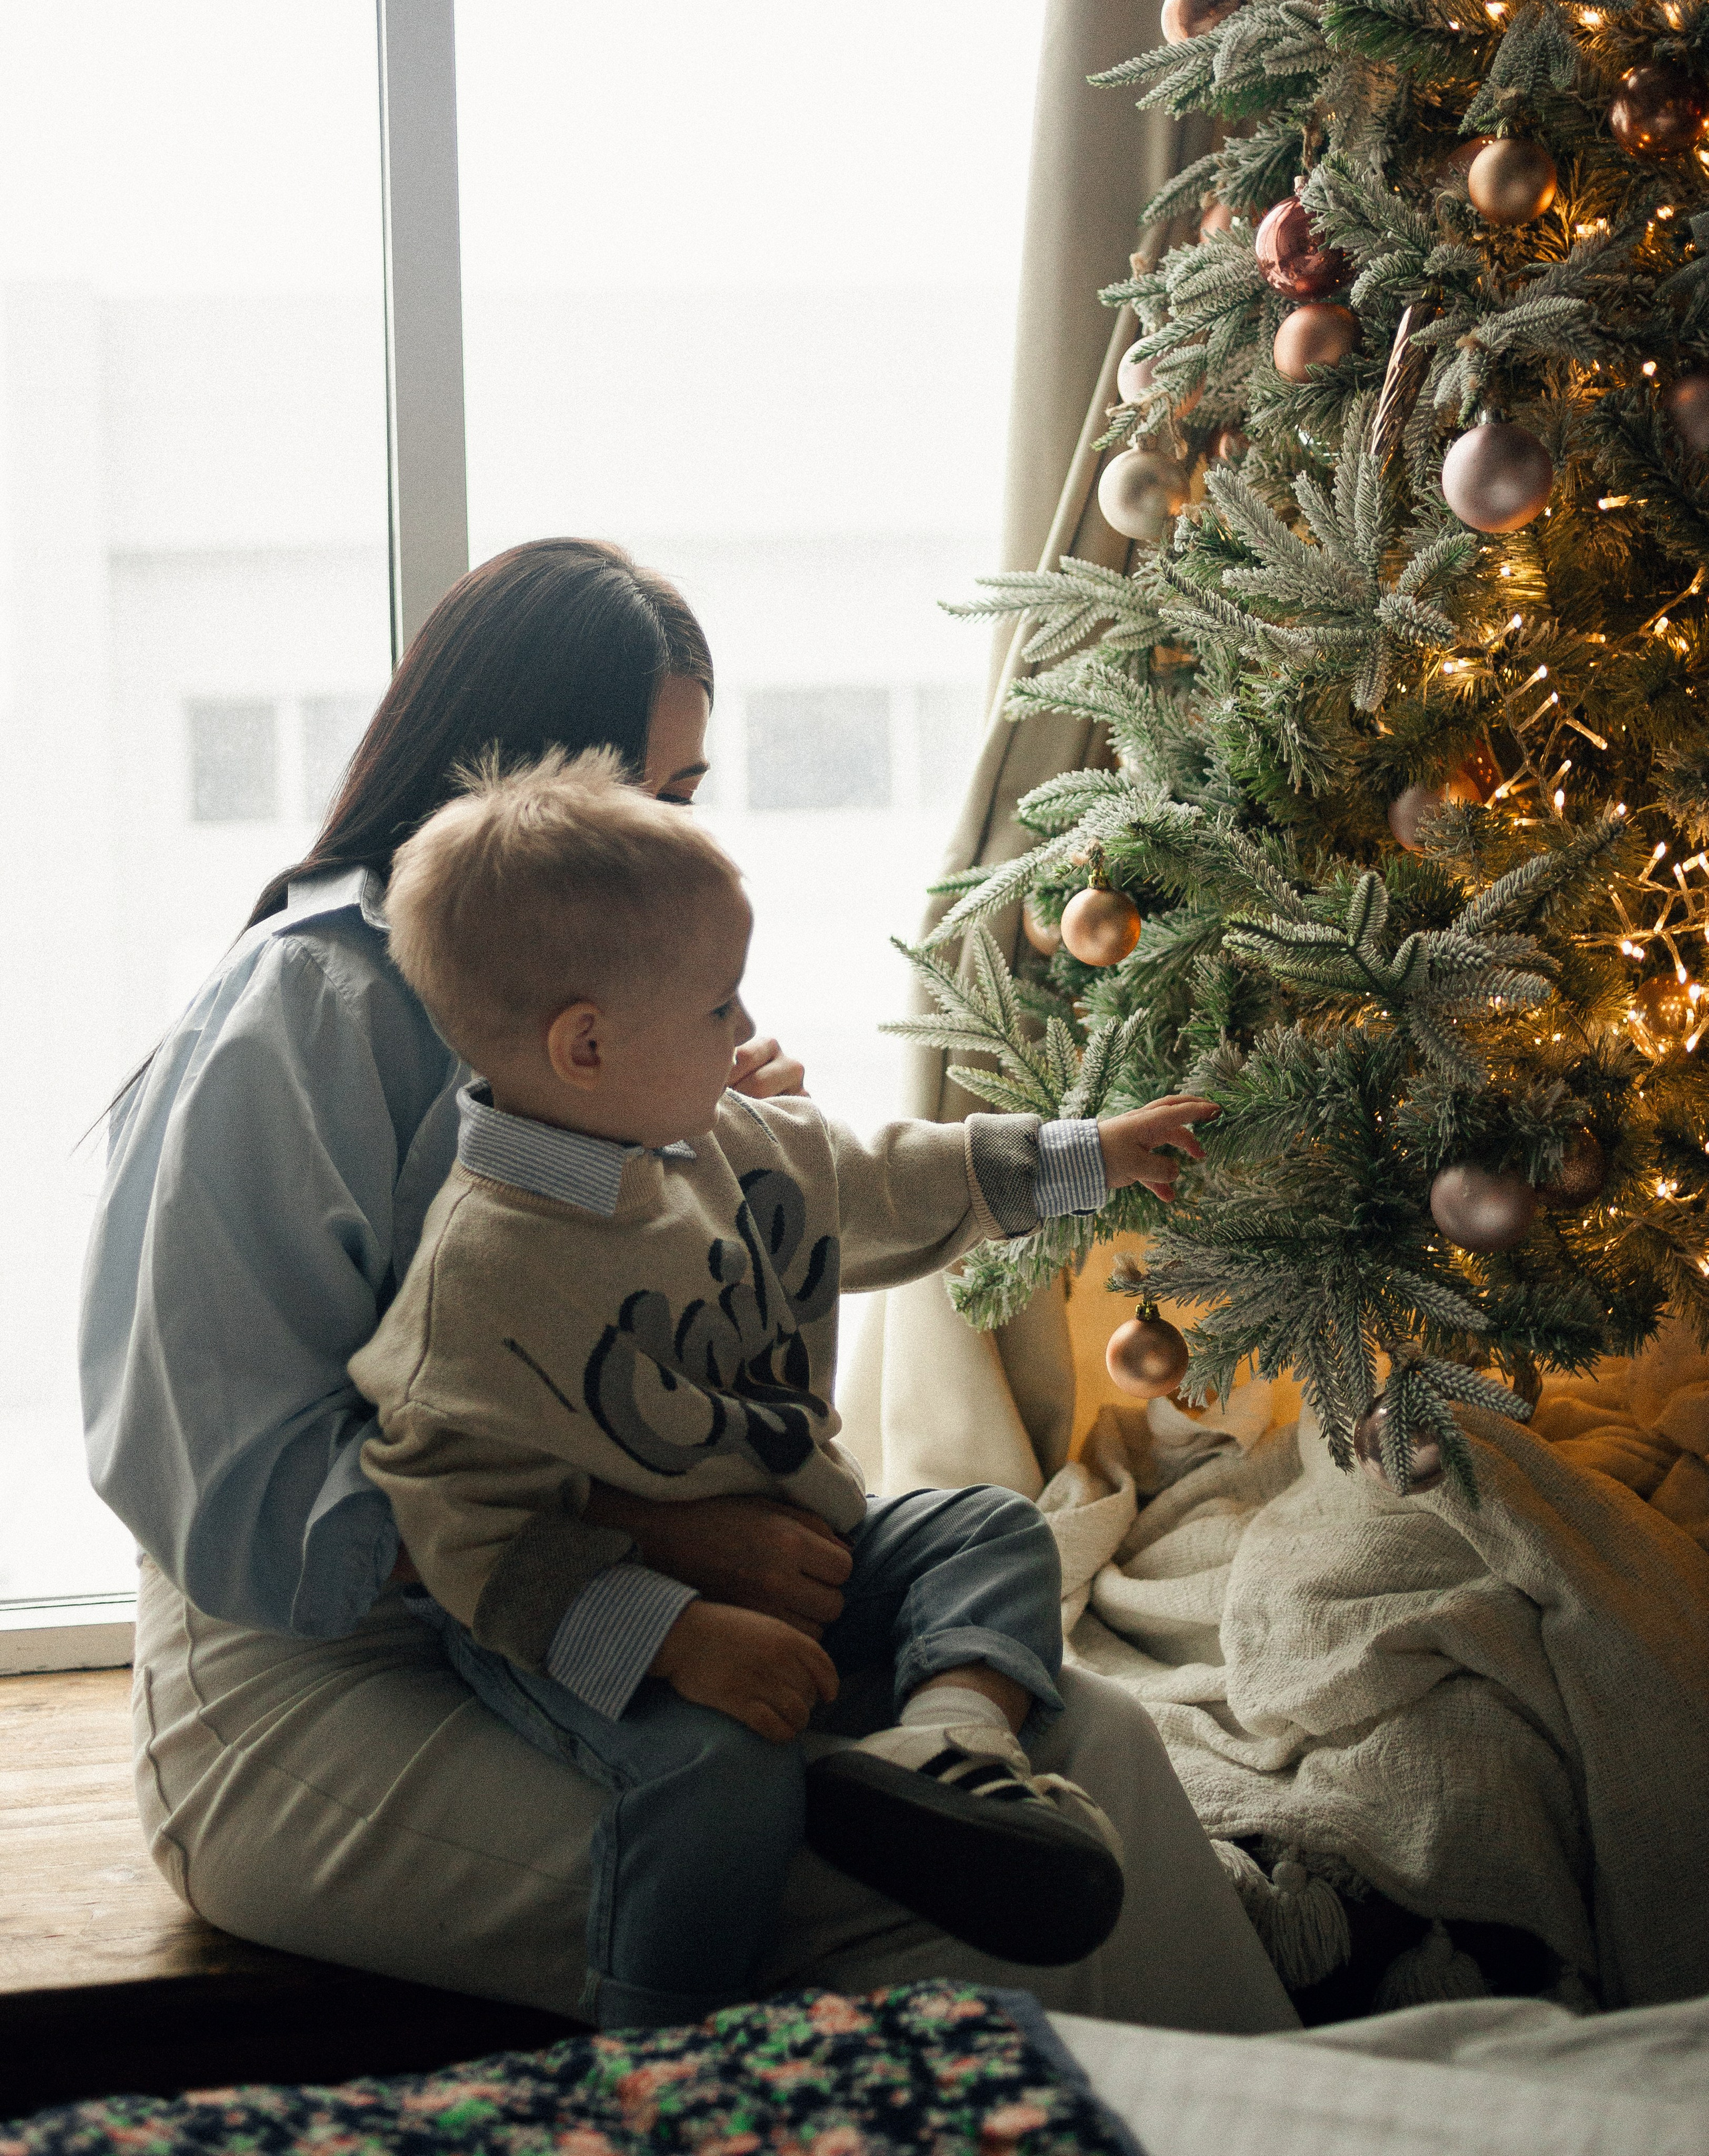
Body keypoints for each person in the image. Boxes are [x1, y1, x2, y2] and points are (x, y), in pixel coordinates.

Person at [81, 537, 1298, 2035]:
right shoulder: (310, 1012)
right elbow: (237, 1492)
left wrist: (716, 1181)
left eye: (685, 797)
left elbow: (773, 1268)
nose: (662, 842)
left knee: (1089, 1749)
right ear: (512, 790)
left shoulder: (622, 982)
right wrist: (648, 1538)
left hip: (630, 1598)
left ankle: (1309, 2106)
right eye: (636, 798)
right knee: (884, 1897)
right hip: (329, 1665)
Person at [351, 748, 1224, 2027]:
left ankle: (948, 1745)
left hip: (810, 1549)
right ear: (586, 1045)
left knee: (988, 1526)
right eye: (717, 1007)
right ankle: (660, 2052)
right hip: (598, 1605)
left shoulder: (721, 1136)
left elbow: (894, 1179)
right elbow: (464, 1540)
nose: (744, 1032)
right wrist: (677, 1635)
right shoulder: (482, 1280)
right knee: (722, 1773)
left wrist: (1091, 1154)